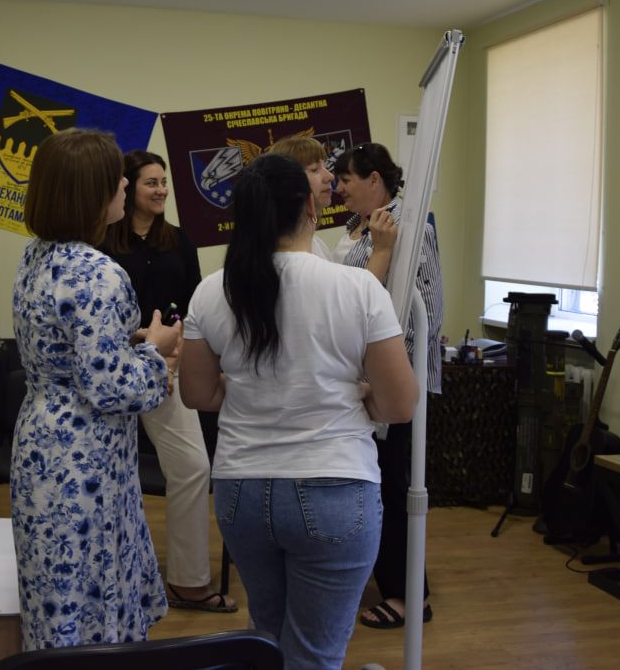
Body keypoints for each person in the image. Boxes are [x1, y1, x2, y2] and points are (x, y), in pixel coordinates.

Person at [180, 153, 417, 670]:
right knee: (314, 655)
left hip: (242, 491)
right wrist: (360, 395)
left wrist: (246, 386)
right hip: (335, 485)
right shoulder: (357, 288)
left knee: (267, 640)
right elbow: (399, 404)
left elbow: (198, 395)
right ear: (311, 207)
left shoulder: (211, 291)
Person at [11, 128, 183, 649]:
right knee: (90, 595)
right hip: (83, 456)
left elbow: (67, 349)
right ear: (92, 192)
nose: (126, 185)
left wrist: (127, 343)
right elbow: (112, 389)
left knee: (55, 591)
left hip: (41, 439)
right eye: (117, 179)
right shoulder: (98, 273)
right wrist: (156, 351)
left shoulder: (36, 256)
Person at [101, 150, 237, 613]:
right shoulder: (102, 241)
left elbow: (192, 304)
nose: (160, 190)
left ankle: (187, 581)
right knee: (108, 474)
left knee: (193, 466)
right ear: (127, 187)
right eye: (150, 183)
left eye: (164, 182)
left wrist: (175, 352)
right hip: (113, 372)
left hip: (168, 368)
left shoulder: (179, 240)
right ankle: (109, 580)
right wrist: (139, 338)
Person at [331, 141, 443, 629]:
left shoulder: (410, 228)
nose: (339, 188)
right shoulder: (361, 227)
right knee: (377, 486)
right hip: (365, 379)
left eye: (347, 179)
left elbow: (424, 313)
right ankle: (390, 580)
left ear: (374, 179)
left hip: (394, 382)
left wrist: (389, 375)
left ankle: (409, 596)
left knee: (396, 489)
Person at [267, 134, 335, 259]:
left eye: (326, 167)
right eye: (314, 169)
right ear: (288, 181)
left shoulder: (318, 245)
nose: (330, 176)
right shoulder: (276, 252)